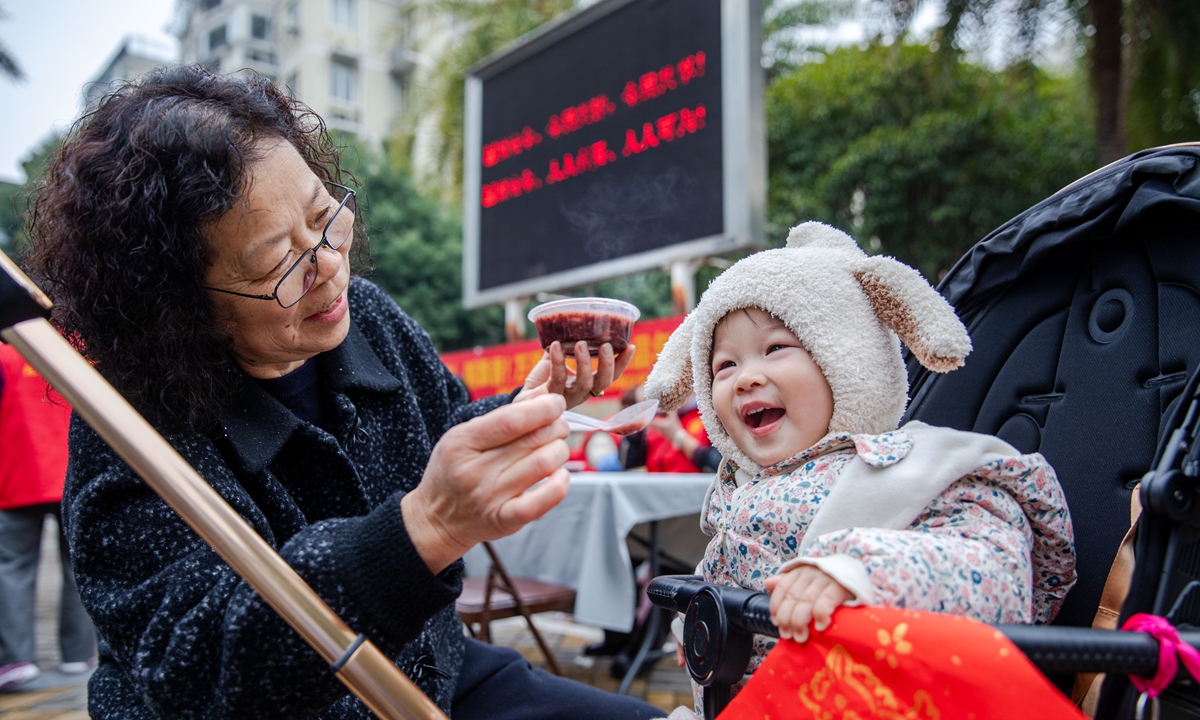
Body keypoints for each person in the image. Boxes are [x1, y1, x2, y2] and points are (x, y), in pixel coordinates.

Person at [25, 65, 662, 719]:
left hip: (421, 672)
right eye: (278, 263)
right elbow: (200, 672)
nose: (327, 264)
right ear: (180, 308)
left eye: (324, 216)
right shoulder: (129, 428)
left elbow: (441, 434)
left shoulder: (370, 317)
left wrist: (520, 410)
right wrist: (424, 530)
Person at [644, 222, 1077, 710]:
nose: (745, 379)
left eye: (775, 348)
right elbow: (728, 571)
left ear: (847, 356)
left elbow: (998, 577)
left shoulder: (912, 468)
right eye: (724, 366)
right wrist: (697, 617)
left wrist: (855, 570)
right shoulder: (740, 488)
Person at [0, 344, 97, 690]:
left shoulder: (4, 354)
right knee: (77, 565)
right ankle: (77, 655)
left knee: (12, 568)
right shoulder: (80, 347)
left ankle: (15, 660)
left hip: (14, 475)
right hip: (72, 474)